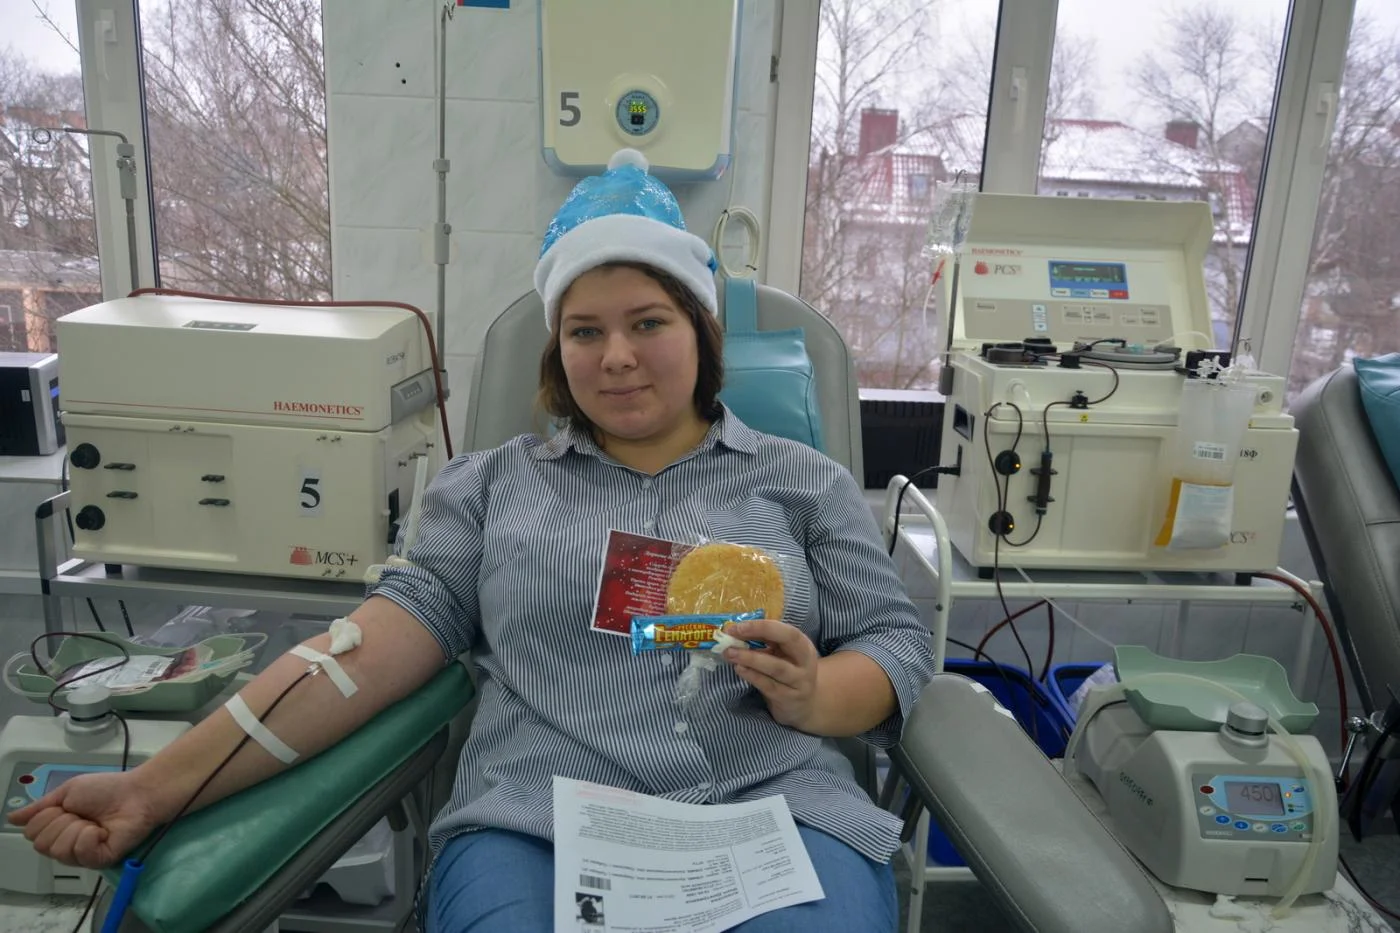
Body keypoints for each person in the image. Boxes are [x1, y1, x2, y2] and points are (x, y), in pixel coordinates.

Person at [10, 149, 936, 932]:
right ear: (557, 350)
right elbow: (357, 654)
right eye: (585, 330)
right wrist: (154, 788)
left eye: (648, 322)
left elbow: (894, 642)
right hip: (541, 821)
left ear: (701, 331)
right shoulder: (492, 487)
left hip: (771, 808)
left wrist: (818, 693)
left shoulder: (803, 481)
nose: (615, 355)